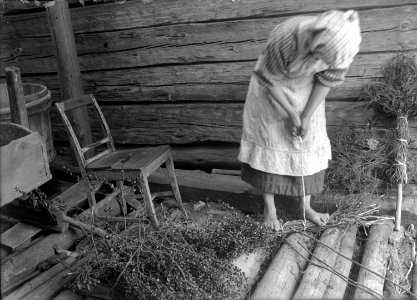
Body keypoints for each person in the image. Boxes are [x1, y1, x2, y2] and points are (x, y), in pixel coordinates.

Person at [238, 10, 361, 231]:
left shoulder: (344, 45)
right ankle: (270, 210)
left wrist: (305, 115)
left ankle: (305, 207)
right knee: (271, 143)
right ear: (314, 43)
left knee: (308, 142)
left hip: (307, 90)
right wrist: (290, 115)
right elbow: (268, 79)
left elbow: (326, 81)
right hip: (271, 88)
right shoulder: (285, 36)